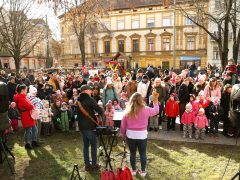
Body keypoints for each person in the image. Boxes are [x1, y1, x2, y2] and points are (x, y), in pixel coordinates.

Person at [120, 91, 159, 177]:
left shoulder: (127, 111)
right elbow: (156, 110)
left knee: (132, 153)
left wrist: (123, 134)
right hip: (142, 135)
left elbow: (123, 125)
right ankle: (143, 171)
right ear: (141, 100)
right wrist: (155, 100)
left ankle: (133, 170)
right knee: (142, 153)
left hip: (130, 135)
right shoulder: (146, 109)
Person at [76, 85, 103, 172]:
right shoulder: (89, 99)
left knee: (86, 146)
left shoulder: (78, 99)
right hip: (90, 126)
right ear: (86, 91)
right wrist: (100, 113)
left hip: (81, 126)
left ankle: (87, 164)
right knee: (94, 145)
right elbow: (99, 109)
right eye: (90, 90)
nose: (91, 92)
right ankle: (94, 164)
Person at [14, 84, 40, 149]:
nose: (27, 91)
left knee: (34, 128)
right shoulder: (20, 97)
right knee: (28, 130)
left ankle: (33, 141)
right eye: (26, 89)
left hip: (29, 114)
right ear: (22, 90)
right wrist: (32, 106)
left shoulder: (23, 96)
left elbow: (29, 103)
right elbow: (29, 105)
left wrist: (31, 106)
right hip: (26, 115)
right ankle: (27, 143)